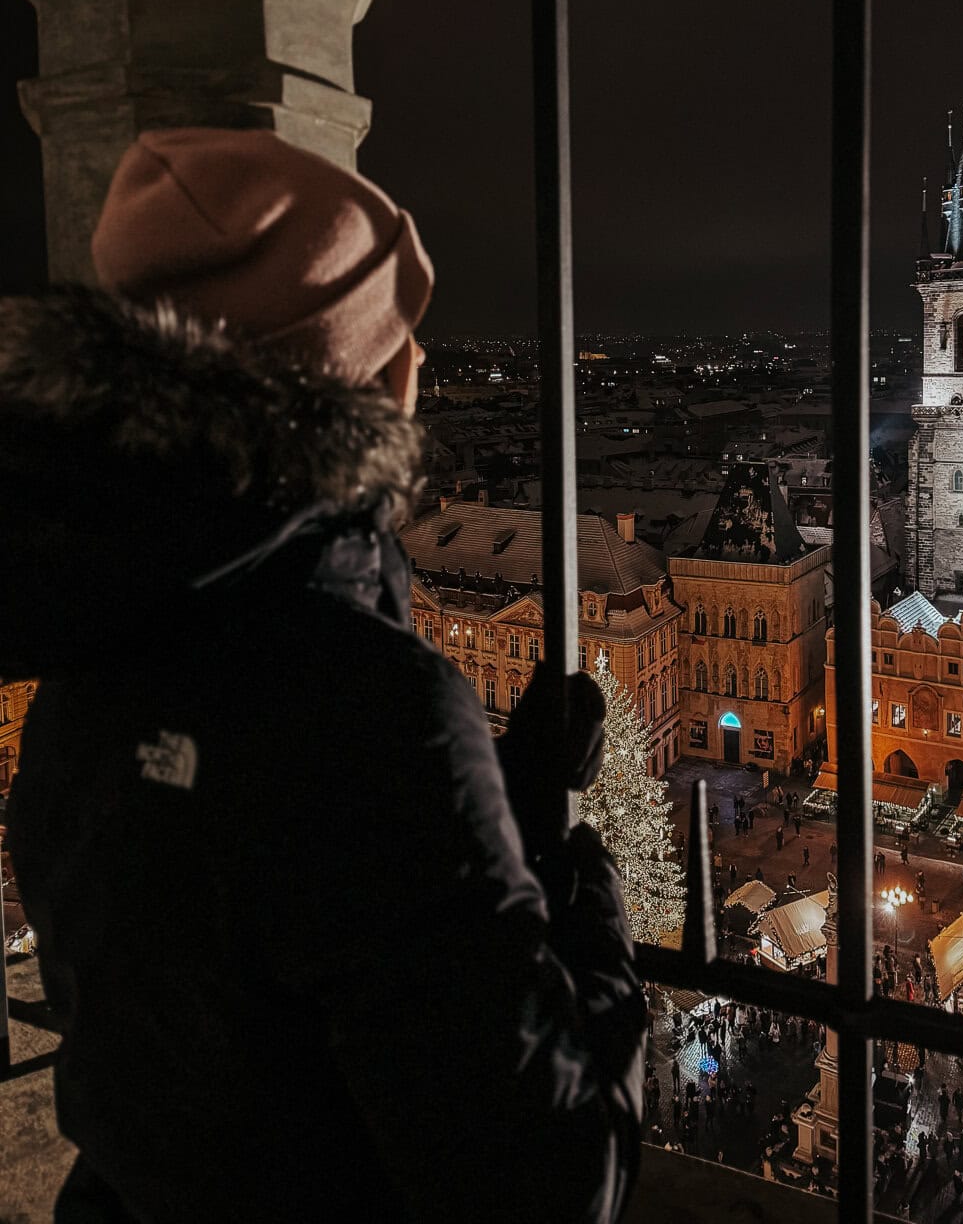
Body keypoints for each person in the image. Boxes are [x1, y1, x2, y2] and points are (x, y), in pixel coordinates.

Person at [4, 130, 645, 1224]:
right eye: (401, 335)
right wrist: (588, 906)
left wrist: (503, 804)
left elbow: (227, 974)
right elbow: (549, 1177)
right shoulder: (370, 705)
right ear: (372, 380)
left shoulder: (82, 646)